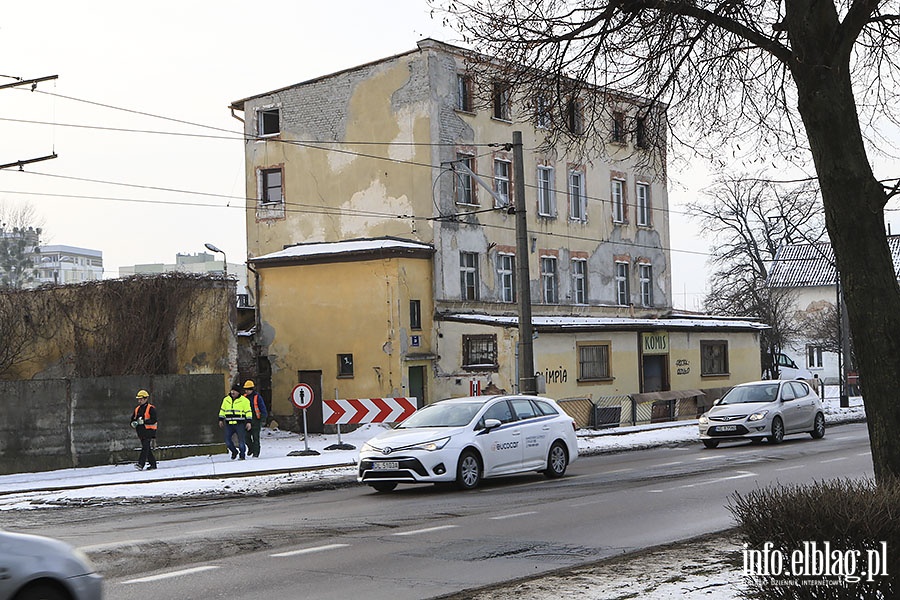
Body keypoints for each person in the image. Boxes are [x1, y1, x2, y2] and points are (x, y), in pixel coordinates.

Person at [219, 384, 252, 460]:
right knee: (227, 441)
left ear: (238, 392)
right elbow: (222, 410)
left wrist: (248, 422)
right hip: (229, 424)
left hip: (240, 423)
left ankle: (242, 455)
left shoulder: (244, 400)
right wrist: (220, 419)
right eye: (232, 390)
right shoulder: (226, 399)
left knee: (241, 441)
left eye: (235, 391)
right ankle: (234, 452)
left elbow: (248, 412)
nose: (233, 392)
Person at [130, 389, 158, 471]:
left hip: (149, 431)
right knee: (147, 448)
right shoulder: (137, 409)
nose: (139, 401)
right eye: (138, 399)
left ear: (146, 399)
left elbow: (154, 420)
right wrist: (133, 423)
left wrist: (144, 421)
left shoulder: (151, 408)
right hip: (141, 431)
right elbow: (133, 419)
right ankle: (153, 464)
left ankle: (140, 464)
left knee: (145, 447)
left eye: (141, 399)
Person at [243, 380, 267, 458]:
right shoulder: (244, 397)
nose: (246, 391)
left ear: (251, 389)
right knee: (246, 437)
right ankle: (251, 448)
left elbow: (262, 407)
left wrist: (263, 418)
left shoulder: (257, 397)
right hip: (246, 420)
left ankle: (256, 453)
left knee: (255, 437)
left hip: (256, 420)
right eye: (245, 389)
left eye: (247, 389)